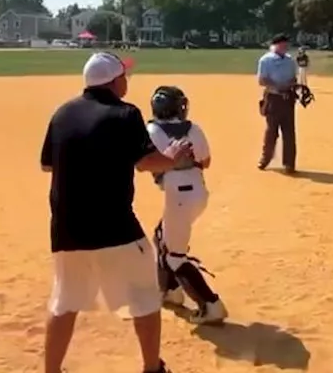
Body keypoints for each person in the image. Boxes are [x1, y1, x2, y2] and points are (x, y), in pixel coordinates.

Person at [40, 51, 188, 373]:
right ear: (112, 81)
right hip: (114, 227)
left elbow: (46, 164)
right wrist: (172, 156)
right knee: (145, 299)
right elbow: (148, 162)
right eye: (124, 76)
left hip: (66, 229)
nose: (127, 81)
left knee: (64, 302)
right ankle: (152, 368)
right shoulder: (125, 114)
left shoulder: (62, 113)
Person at [146, 85, 228, 325]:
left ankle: (210, 304)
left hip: (179, 199)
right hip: (197, 193)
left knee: (175, 256)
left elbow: (147, 163)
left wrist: (168, 163)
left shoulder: (151, 130)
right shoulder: (194, 128)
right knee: (161, 238)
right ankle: (170, 291)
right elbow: (207, 162)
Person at [256, 34, 299, 173]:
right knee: (271, 131)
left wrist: (291, 85)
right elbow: (262, 80)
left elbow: (294, 77)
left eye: (286, 45)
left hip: (287, 99)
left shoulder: (290, 61)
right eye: (283, 45)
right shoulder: (265, 60)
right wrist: (277, 86)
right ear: (275, 45)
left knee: (289, 132)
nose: (286, 47)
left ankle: (289, 163)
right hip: (273, 98)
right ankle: (265, 158)